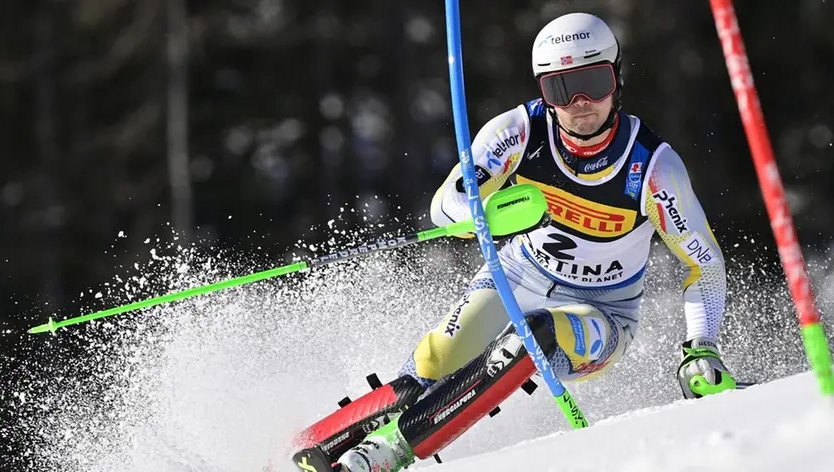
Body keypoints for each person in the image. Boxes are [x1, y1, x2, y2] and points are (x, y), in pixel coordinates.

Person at [291, 12, 735, 472]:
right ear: (544, 90)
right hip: (518, 273)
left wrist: (700, 345)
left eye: (594, 82)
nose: (581, 103)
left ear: (616, 77)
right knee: (431, 364)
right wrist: (476, 216)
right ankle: (309, 447)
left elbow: (704, 262)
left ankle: (387, 455)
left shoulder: (652, 167)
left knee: (532, 337)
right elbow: (445, 207)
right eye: (561, 88)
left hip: (603, 314)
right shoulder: (519, 132)